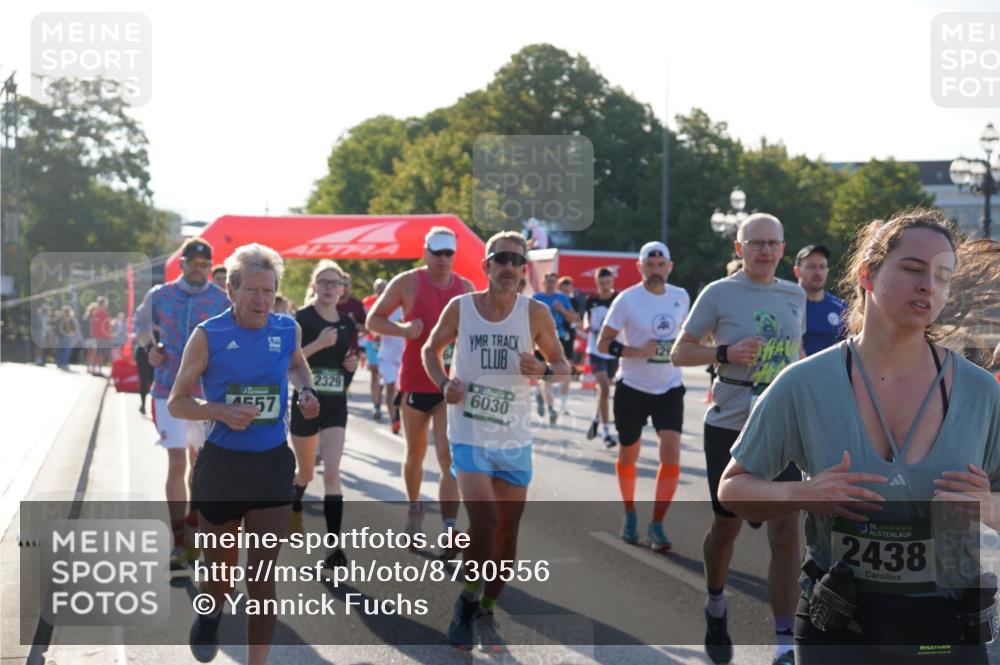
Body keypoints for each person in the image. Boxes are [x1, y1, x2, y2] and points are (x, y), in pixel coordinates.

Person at [718, 208, 1000, 664]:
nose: (929, 284)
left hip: (942, 632)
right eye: (912, 268)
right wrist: (803, 493)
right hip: (839, 625)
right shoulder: (803, 383)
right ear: (867, 274)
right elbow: (733, 489)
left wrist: (987, 505)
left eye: (943, 275)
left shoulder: (980, 392)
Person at [169, 243, 319, 665]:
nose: (260, 300)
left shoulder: (286, 329)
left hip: (271, 464)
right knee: (221, 577)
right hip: (222, 467)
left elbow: (296, 364)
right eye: (251, 290)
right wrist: (221, 410)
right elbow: (178, 402)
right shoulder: (208, 335)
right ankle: (211, 611)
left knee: (262, 578)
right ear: (231, 291)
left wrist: (305, 391)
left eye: (268, 291)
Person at [422, 230, 569, 652]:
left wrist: (541, 368)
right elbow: (431, 349)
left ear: (525, 270)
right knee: (485, 524)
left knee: (505, 535)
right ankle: (466, 603)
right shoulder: (462, 307)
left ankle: (487, 603)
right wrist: (443, 382)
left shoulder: (535, 313)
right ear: (486, 266)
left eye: (516, 260)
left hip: (514, 437)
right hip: (469, 433)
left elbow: (564, 367)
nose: (508, 266)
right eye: (500, 258)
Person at [671, 213, 806, 665]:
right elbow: (679, 352)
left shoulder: (794, 293)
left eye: (772, 243)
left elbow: (796, 354)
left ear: (783, 249)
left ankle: (785, 642)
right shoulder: (719, 293)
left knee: (787, 532)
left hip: (781, 424)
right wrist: (723, 353)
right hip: (730, 424)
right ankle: (715, 602)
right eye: (756, 243)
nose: (765, 251)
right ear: (739, 248)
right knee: (725, 527)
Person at [367, 227, 473, 547]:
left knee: (446, 455)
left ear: (454, 255)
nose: (442, 259)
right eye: (436, 252)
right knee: (415, 453)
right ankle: (415, 506)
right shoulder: (408, 282)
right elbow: (374, 320)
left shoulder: (465, 289)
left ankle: (449, 527)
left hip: (448, 386)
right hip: (414, 381)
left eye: (447, 254)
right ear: (425, 251)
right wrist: (403, 329)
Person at [134, 238, 230, 570]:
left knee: (200, 468)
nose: (199, 269)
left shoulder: (221, 299)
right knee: (177, 463)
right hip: (167, 391)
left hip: (206, 395)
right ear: (183, 263)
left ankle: (192, 524)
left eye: (205, 264)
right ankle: (177, 543)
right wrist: (149, 347)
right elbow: (141, 324)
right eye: (193, 262)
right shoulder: (160, 295)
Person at [597, 242, 689, 552]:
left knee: (672, 453)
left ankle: (658, 524)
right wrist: (633, 351)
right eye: (649, 265)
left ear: (669, 266)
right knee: (628, 455)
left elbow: (688, 335)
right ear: (640, 267)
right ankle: (630, 514)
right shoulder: (627, 300)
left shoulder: (681, 297)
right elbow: (602, 343)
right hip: (632, 387)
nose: (655, 270)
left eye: (660, 264)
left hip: (669, 387)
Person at [288, 260, 358, 569]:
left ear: (342, 289)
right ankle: (293, 506)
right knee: (306, 473)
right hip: (306, 402)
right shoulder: (300, 319)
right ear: (314, 285)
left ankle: (333, 548)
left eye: (336, 282)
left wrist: (350, 368)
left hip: (335, 405)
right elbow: (290, 363)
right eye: (324, 282)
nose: (330, 287)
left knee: (331, 472)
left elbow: (346, 368)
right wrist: (318, 344)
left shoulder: (347, 323)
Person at [532, 272, 579, 424]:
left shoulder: (562, 298)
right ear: (543, 282)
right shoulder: (536, 298)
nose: (551, 284)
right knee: (545, 375)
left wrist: (562, 310)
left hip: (560, 338)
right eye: (548, 281)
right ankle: (551, 408)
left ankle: (547, 397)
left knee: (564, 371)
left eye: (553, 281)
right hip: (540, 340)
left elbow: (574, 318)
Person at [584, 267, 620, 448]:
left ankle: (597, 418)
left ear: (612, 282)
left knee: (604, 391)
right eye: (601, 283)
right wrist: (586, 326)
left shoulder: (618, 299)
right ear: (597, 283)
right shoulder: (591, 300)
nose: (605, 287)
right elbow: (585, 318)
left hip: (613, 351)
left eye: (608, 283)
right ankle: (607, 433)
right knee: (604, 388)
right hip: (596, 350)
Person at [794, 244, 848, 356]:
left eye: (822, 267)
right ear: (797, 271)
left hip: (832, 372)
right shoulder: (787, 305)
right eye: (811, 267)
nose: (817, 272)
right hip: (796, 372)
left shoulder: (840, 307)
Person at [377, 306, 405, 435]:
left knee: (403, 390)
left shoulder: (412, 305)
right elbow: (374, 329)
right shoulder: (386, 307)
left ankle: (400, 414)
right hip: (387, 355)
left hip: (404, 356)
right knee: (390, 386)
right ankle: (394, 419)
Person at [363, 278, 388, 420]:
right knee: (374, 372)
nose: (380, 289)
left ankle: (387, 402)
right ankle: (376, 404)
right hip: (372, 342)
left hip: (388, 342)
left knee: (386, 374)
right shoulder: (367, 301)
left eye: (383, 287)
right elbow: (366, 320)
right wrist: (374, 333)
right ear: (374, 289)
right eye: (378, 287)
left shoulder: (392, 300)